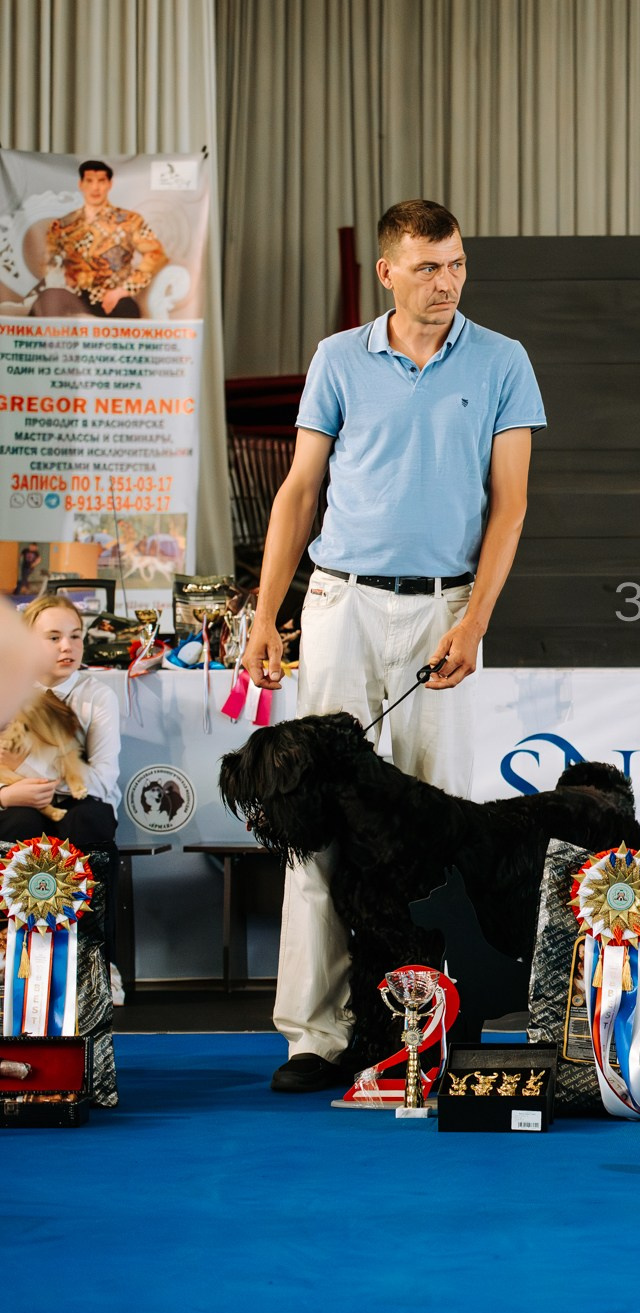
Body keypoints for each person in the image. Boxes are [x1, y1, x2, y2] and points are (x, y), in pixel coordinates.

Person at [242, 199, 545, 1093]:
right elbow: (299, 492)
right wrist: (267, 614)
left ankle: (429, 1025)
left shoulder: (504, 361)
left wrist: (476, 620)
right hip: (338, 606)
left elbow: (512, 505)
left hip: (442, 611)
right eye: (426, 267)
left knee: (439, 826)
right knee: (314, 824)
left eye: (454, 265)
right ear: (387, 273)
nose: (445, 282)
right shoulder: (338, 358)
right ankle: (314, 1033)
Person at [0, 595, 123, 999]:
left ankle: (98, 962)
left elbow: (103, 778)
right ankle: (15, 956)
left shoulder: (96, 696)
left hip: (79, 802)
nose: (66, 647)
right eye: (52, 637)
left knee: (89, 821)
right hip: (15, 801)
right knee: (20, 823)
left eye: (75, 636)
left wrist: (41, 779)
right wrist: (9, 793)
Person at [33, 160, 167, 319]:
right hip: (72, 296)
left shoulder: (129, 221)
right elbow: (49, 261)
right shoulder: (62, 225)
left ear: (110, 184)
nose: (95, 188)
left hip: (112, 298)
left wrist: (124, 289)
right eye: (89, 181)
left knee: (126, 312)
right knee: (49, 300)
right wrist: (61, 278)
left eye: (101, 181)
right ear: (81, 184)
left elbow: (156, 255)